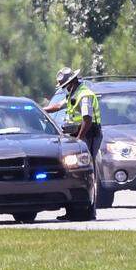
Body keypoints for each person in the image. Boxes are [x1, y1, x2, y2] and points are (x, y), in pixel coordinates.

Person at [44, 67, 102, 218]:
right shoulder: (73, 94)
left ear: (73, 81)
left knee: (87, 172)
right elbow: (57, 106)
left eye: (66, 85)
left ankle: (90, 211)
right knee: (73, 171)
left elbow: (87, 120)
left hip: (89, 135)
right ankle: (73, 211)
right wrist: (41, 110)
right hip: (79, 135)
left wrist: (79, 138)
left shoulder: (84, 95)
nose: (65, 88)